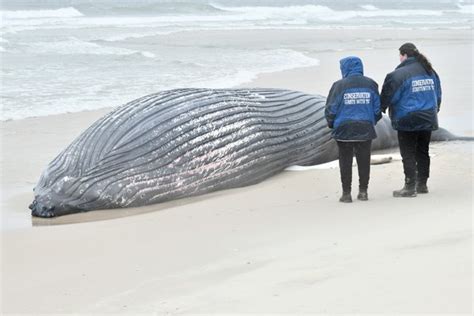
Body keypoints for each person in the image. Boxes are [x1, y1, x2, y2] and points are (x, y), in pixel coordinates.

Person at [380, 43, 442, 197]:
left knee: (408, 152)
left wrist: (379, 109)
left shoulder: (397, 75)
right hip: (428, 116)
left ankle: (409, 186)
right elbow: (438, 94)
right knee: (422, 151)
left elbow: (387, 97)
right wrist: (435, 110)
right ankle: (422, 184)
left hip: (407, 118)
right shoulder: (430, 71)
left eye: (400, 55)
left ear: (404, 55)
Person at [325, 56, 382, 203]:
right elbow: (377, 109)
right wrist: (371, 122)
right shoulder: (371, 84)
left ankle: (346, 194)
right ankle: (363, 192)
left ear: (345, 68)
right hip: (365, 127)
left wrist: (332, 124)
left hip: (344, 129)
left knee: (345, 161)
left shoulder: (338, 86)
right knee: (364, 161)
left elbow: (331, 109)